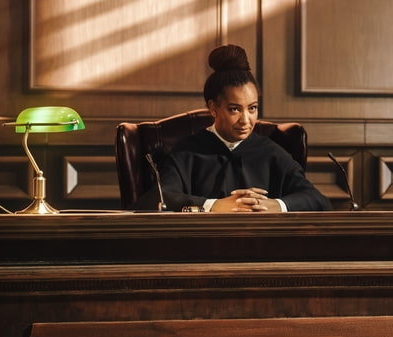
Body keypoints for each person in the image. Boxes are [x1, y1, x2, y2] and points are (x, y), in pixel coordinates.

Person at [135, 44, 330, 212]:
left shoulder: (271, 152)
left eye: (252, 108)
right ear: (213, 107)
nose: (246, 120)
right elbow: (157, 199)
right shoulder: (186, 152)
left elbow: (317, 200)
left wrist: (276, 205)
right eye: (234, 109)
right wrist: (213, 205)